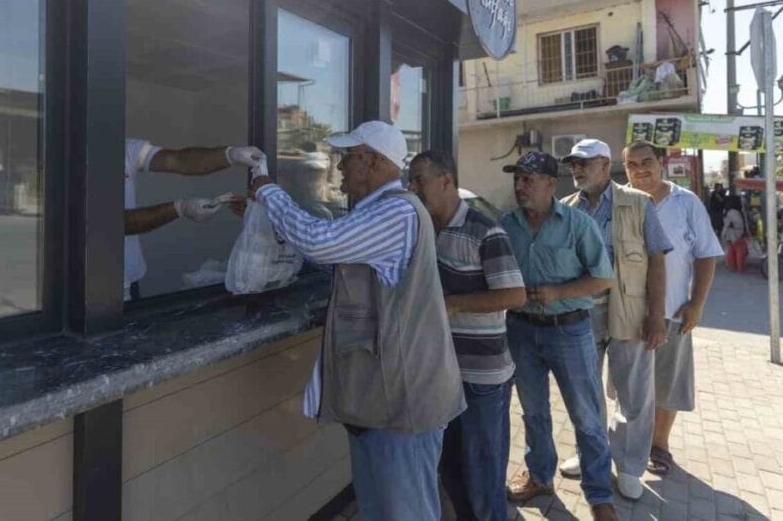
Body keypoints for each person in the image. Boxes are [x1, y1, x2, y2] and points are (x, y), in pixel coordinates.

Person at [251, 120, 464, 521]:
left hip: (402, 406)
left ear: (374, 161)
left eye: (348, 157)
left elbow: (319, 242)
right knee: (381, 510)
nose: (340, 166)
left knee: (406, 514)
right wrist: (274, 217)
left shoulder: (396, 213)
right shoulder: (382, 211)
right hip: (382, 402)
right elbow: (335, 247)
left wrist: (267, 190)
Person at [408, 150, 526, 521]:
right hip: (440, 372)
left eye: (419, 180)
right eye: (410, 182)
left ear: (446, 181)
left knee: (483, 471)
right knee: (450, 465)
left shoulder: (485, 230)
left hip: (481, 377)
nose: (413, 189)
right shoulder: (422, 228)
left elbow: (514, 295)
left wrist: (455, 304)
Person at [498, 151, 617, 521]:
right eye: (517, 179)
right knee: (533, 412)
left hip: (569, 330)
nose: (520, 186)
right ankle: (539, 476)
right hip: (520, 329)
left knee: (586, 415)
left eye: (528, 179)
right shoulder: (506, 225)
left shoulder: (578, 224)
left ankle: (599, 494)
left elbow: (603, 277)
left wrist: (559, 292)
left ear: (551, 183)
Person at [554, 139, 672, 501]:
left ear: (606, 166)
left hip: (629, 311)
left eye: (585, 163)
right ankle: (591, 455)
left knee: (633, 394)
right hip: (580, 314)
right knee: (584, 393)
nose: (577, 170)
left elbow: (657, 260)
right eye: (574, 164)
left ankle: (630, 467)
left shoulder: (638, 203)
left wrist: (656, 316)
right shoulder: (566, 208)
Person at [622, 142, 721, 477]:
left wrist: (697, 304)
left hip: (673, 310)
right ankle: (629, 442)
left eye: (646, 162)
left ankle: (659, 444)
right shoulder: (619, 200)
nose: (640, 169)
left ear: (661, 162)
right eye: (632, 164)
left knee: (667, 382)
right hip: (626, 312)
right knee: (629, 384)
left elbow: (706, 254)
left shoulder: (686, 202)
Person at [123, 139, 264, 300]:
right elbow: (117, 223)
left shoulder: (126, 149)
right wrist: (180, 208)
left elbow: (179, 160)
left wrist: (230, 154)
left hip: (130, 275)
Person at [721, 195, 748, 272]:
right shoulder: (735, 212)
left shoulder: (727, 211)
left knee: (731, 252)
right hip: (736, 234)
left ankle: (732, 267)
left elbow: (726, 224)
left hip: (729, 235)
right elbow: (738, 225)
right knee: (740, 252)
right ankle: (739, 268)